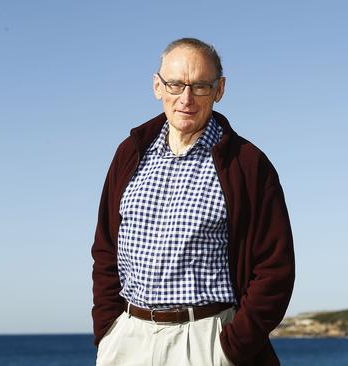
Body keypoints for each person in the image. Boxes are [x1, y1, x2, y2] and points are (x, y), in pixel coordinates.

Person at [91, 38, 295, 366]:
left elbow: (275, 268)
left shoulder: (247, 164)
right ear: (158, 86)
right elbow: (105, 250)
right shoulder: (129, 154)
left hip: (204, 342)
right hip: (129, 341)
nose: (186, 98)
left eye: (200, 86)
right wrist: (109, 330)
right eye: (175, 85)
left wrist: (230, 348)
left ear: (219, 90)